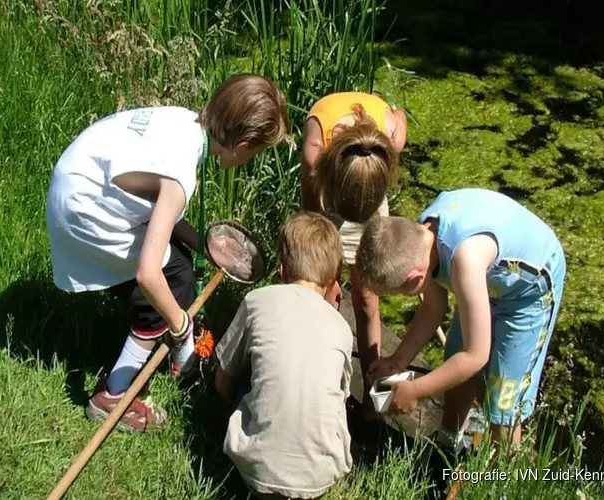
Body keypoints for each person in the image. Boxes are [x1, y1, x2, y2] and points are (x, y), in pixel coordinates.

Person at [46, 74, 290, 432]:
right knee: (160, 296)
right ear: (243, 144)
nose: (251, 159)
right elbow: (147, 274)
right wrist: (179, 324)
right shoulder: (181, 177)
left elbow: (153, 196)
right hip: (84, 213)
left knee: (178, 269)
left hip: (77, 180)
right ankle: (113, 396)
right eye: (256, 152)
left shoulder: (183, 121)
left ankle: (175, 356)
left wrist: (201, 244)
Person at [356, 187, 566, 451]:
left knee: (504, 397)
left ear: (413, 280)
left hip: (529, 292)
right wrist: (397, 362)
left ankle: (504, 476)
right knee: (454, 356)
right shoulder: (419, 239)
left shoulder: (464, 261)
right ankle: (449, 443)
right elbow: (434, 308)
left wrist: (416, 390)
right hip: (487, 281)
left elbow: (476, 356)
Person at [214, 212, 351, 500]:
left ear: (281, 268)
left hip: (256, 474)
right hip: (320, 478)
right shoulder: (341, 327)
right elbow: (343, 396)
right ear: (332, 279)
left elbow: (223, 378)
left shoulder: (256, 300)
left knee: (246, 379)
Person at [300, 91, 408, 425]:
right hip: (327, 204)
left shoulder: (392, 135)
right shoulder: (316, 152)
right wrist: (323, 257)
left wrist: (395, 111)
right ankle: (320, 384)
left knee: (366, 298)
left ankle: (370, 396)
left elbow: (400, 114)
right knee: (318, 293)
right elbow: (309, 206)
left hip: (366, 181)